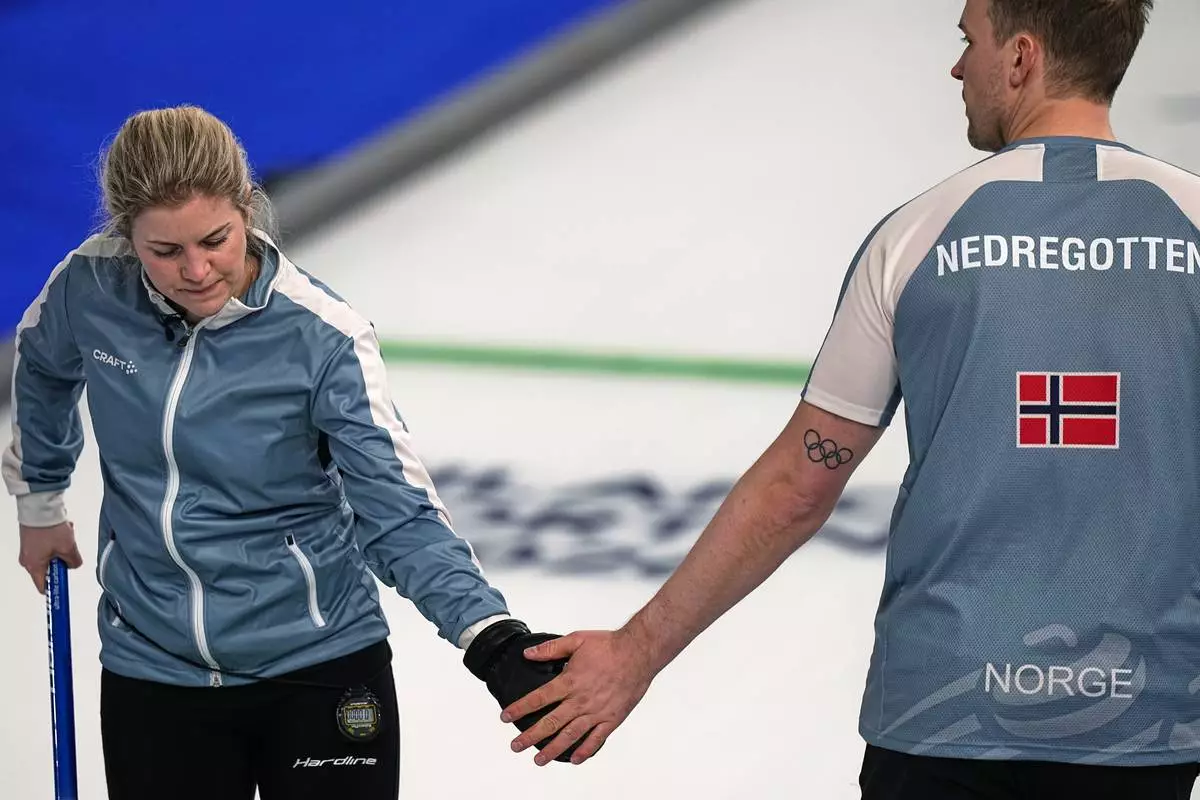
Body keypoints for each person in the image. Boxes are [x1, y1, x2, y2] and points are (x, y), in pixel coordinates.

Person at [499, 0, 1200, 797]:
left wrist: (636, 652)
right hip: (1144, 722)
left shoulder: (920, 234)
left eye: (968, 42)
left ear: (1022, 59)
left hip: (948, 717)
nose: (956, 68)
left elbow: (799, 486)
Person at [2, 104, 572, 800]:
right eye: (164, 252)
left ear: (248, 207)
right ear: (127, 238)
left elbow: (397, 515)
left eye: (216, 239)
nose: (197, 270)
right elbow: (41, 368)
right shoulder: (89, 288)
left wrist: (492, 638)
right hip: (153, 670)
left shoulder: (324, 337)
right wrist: (39, 501)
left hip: (319, 668)